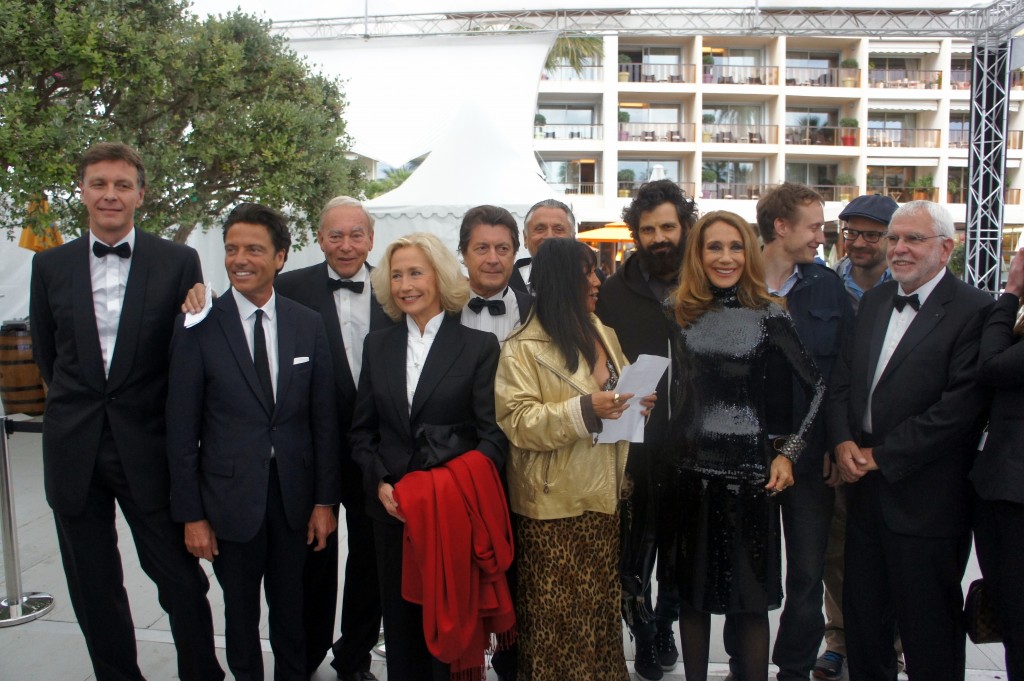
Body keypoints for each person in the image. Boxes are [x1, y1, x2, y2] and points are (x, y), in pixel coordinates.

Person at [29, 142, 223, 681]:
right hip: (74, 449)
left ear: (141, 193)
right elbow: (48, 355)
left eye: (121, 185)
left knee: (180, 579)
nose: (109, 195)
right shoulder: (49, 265)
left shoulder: (178, 260)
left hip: (149, 446)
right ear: (82, 192)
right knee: (92, 585)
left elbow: (187, 352)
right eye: (98, 184)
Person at [166, 203, 342, 681]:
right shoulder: (198, 325)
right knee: (240, 615)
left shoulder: (307, 323)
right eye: (232, 249)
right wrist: (192, 516)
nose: (240, 259)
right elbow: (180, 430)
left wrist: (325, 501)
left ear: (280, 257)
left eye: (254, 249)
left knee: (292, 609)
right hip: (228, 501)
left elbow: (323, 422)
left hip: (294, 500)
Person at [828, 201, 991, 681]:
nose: (898, 249)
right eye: (894, 238)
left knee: (930, 628)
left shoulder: (975, 309)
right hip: (862, 489)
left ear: (946, 248)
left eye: (913, 239)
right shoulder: (875, 300)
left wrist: (881, 456)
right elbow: (842, 381)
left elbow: (959, 410)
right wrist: (842, 442)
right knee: (863, 621)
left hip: (928, 496)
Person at [663, 210, 825, 681]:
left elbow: (817, 387)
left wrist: (788, 453)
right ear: (698, 254)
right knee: (691, 599)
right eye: (714, 247)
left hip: (750, 475)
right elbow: (677, 386)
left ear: (749, 253)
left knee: (750, 603)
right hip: (688, 470)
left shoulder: (769, 313)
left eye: (735, 247)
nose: (726, 257)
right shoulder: (677, 310)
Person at [349, 232, 508, 681]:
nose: (404, 285)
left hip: (451, 515)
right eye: (396, 275)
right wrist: (381, 483)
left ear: (439, 277)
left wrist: (452, 488)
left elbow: (493, 437)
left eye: (415, 273)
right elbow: (361, 432)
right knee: (401, 632)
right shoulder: (377, 345)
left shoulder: (478, 347)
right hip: (392, 513)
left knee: (450, 629)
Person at [495, 238, 655, 681]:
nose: (597, 279)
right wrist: (585, 410)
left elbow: (614, 395)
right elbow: (518, 421)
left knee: (598, 620)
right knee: (556, 628)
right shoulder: (522, 347)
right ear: (563, 280)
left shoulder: (602, 331)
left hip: (604, 500)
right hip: (553, 509)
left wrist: (636, 402)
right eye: (587, 271)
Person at [274, 196, 392, 681]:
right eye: (336, 235)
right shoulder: (288, 287)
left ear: (371, 239)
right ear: (320, 239)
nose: (346, 245)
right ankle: (304, 656)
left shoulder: (395, 285)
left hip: (376, 450)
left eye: (356, 235)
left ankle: (354, 656)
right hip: (310, 448)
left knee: (370, 559)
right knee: (313, 554)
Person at [595, 179, 698, 681]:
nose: (659, 238)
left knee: (680, 549)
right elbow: (595, 360)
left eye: (667, 227)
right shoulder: (613, 291)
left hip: (695, 443)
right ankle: (642, 627)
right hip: (632, 443)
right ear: (635, 234)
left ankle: (666, 625)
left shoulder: (707, 282)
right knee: (632, 552)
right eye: (649, 229)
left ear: (685, 227)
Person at [753, 183, 854, 681]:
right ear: (781, 226)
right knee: (748, 571)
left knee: (808, 575)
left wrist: (836, 441)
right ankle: (747, 665)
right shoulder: (733, 281)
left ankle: (793, 668)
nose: (822, 236)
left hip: (812, 457)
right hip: (748, 456)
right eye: (814, 226)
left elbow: (842, 374)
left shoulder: (827, 287)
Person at [816, 193, 898, 681]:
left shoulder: (907, 286)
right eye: (852, 232)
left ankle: (892, 643)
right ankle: (839, 640)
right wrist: (834, 439)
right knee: (836, 547)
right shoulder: (826, 285)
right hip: (837, 436)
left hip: (891, 444)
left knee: (893, 550)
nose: (860, 242)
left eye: (873, 234)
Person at [972, 246, 1024, 681]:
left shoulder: (1011, 305)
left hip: (1014, 492)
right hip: (999, 486)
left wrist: (1009, 293)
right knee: (1008, 608)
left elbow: (992, 366)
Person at [457, 204, 533, 339]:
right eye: (482, 248)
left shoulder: (534, 311)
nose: (493, 259)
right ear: (464, 254)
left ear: (514, 254)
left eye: (502, 248)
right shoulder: (441, 309)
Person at [509, 198, 576, 293]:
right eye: (540, 229)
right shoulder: (503, 283)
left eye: (558, 229)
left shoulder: (590, 283)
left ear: (573, 238)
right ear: (525, 238)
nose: (549, 237)